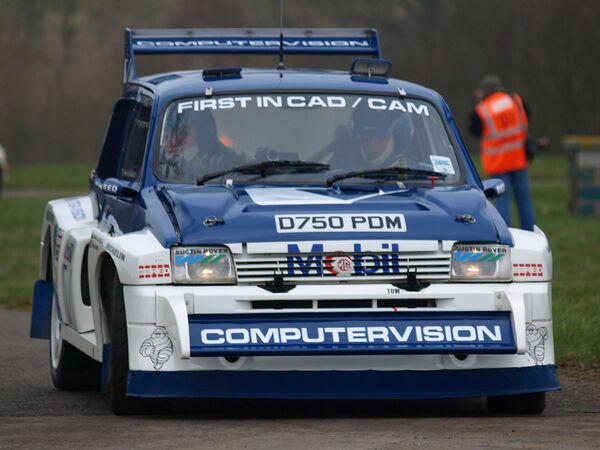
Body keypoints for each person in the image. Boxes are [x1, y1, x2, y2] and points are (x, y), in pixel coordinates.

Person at [469, 75, 536, 231]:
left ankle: (506, 235)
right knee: (525, 202)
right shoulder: (516, 101)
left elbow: (474, 129)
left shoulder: (483, 109)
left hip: (498, 164)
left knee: (502, 203)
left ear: (484, 91)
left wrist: (479, 101)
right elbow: (527, 116)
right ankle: (530, 234)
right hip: (519, 160)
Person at [327, 103, 415, 171]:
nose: (372, 143)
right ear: (357, 139)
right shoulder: (337, 171)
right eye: (365, 136)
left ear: (397, 140)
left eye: (380, 137)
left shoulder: (416, 172)